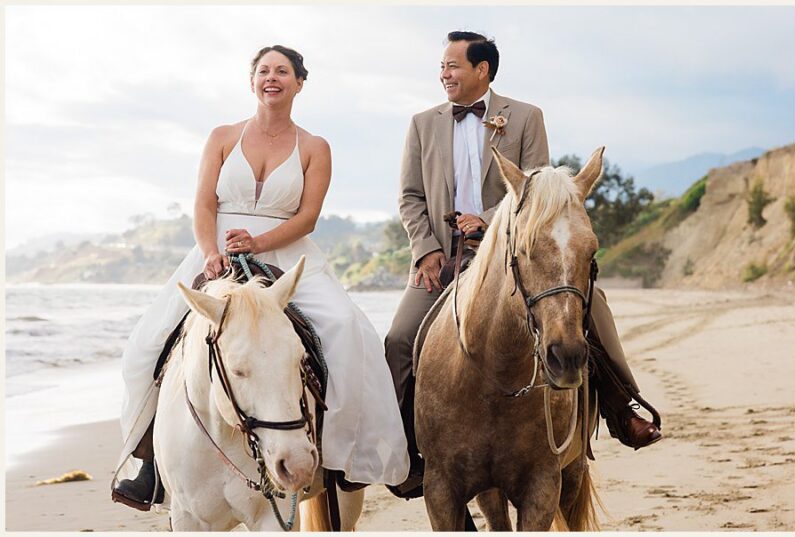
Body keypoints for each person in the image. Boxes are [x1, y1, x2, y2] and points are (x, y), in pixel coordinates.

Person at [113, 46, 409, 510]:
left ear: (299, 83)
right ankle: (146, 463)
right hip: (214, 251)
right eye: (264, 71)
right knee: (144, 348)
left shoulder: (314, 147)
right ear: (252, 81)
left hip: (286, 252)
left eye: (283, 72)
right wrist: (211, 253)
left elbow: (308, 216)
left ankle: (337, 457)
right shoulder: (223, 136)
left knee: (349, 331)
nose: (272, 78)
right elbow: (204, 205)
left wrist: (260, 243)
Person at [383, 31, 661, 497]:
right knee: (396, 341)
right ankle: (403, 450)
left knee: (591, 310)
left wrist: (489, 221)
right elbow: (409, 197)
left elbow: (542, 192)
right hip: (442, 256)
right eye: (442, 66)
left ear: (482, 70)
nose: (443, 74)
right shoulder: (421, 124)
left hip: (515, 250)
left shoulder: (527, 117)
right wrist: (425, 249)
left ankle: (622, 408)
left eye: (452, 65)